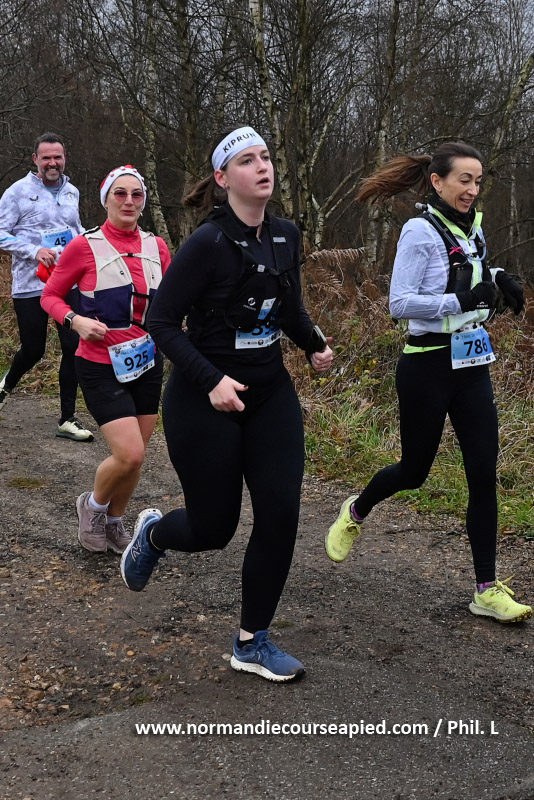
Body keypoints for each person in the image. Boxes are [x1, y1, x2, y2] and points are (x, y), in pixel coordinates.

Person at [120, 125, 334, 682]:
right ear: (222, 178)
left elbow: (289, 307)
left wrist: (313, 344)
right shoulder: (207, 243)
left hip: (269, 393)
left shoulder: (286, 235)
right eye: (247, 160)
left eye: (266, 156)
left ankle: (251, 642)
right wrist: (212, 379)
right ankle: (154, 534)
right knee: (213, 529)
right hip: (203, 398)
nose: (262, 166)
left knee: (281, 514)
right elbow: (161, 322)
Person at [325, 141, 531, 623]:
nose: (472, 189)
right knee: (414, 471)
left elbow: (468, 268)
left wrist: (500, 277)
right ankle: (355, 511)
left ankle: (486, 590)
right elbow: (400, 303)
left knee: (483, 474)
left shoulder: (471, 226)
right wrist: (462, 302)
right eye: (464, 180)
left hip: (472, 364)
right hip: (427, 365)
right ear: (437, 182)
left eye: (478, 181)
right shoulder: (419, 231)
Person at [41, 166, 171, 554]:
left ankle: (115, 522)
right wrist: (75, 320)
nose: (129, 201)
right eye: (120, 193)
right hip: (99, 364)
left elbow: (173, 300)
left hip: (147, 361)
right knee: (129, 453)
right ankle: (93, 506)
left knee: (136, 459)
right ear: (106, 200)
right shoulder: (84, 245)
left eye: (136, 194)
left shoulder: (157, 246)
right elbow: (50, 296)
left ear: (143, 201)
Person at [0, 132, 93, 441]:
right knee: (34, 349)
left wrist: (91, 243)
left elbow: (74, 230)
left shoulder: (72, 192)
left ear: (64, 158)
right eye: (47, 158)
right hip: (31, 284)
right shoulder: (17, 192)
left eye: (58, 157)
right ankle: (5, 386)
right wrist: (33, 250)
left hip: (67, 282)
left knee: (73, 345)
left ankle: (67, 418)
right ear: (35, 159)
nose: (53, 163)